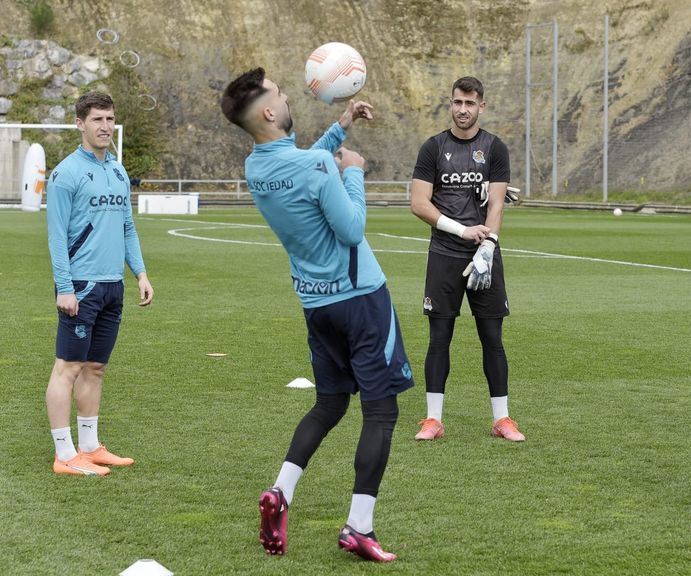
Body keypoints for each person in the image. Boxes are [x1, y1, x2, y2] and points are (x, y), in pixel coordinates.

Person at [220, 67, 413, 563]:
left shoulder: (255, 168)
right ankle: (359, 526)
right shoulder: (319, 167)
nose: (288, 96)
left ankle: (281, 490)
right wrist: (354, 171)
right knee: (381, 411)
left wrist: (341, 126)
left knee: (330, 404)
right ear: (269, 112)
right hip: (361, 299)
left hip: (316, 306)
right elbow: (351, 229)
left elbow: (302, 164)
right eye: (280, 94)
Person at [409, 76, 524, 442]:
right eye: (457, 102)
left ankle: (502, 419)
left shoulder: (494, 148)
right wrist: (461, 231)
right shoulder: (433, 148)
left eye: (470, 103)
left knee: (492, 337)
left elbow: (497, 203)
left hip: (484, 256)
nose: (463, 109)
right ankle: (433, 419)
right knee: (439, 337)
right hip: (444, 255)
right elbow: (419, 204)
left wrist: (488, 246)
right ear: (451, 103)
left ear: (481, 106)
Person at [45, 91, 154, 477]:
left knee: (95, 367)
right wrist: (64, 287)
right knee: (68, 367)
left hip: (112, 286)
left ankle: (90, 447)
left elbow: (127, 227)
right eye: (97, 119)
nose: (105, 126)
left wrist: (140, 273)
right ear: (80, 124)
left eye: (109, 119)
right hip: (81, 286)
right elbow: (57, 236)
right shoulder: (66, 174)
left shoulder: (118, 172)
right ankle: (64, 454)